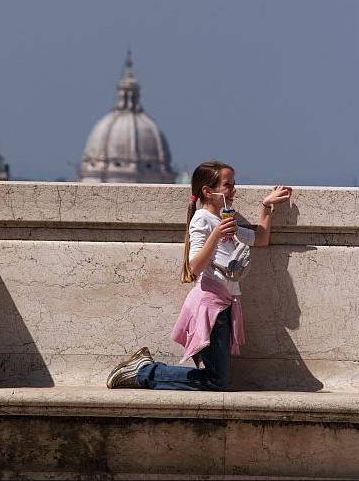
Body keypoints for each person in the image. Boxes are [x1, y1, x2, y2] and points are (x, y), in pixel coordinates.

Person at [106, 160, 292, 391]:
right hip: (210, 306)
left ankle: (143, 370)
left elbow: (261, 239)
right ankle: (143, 372)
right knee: (217, 380)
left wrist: (266, 205)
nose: (234, 190)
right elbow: (194, 266)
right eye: (227, 185)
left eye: (233, 184)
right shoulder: (202, 219)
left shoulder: (224, 221)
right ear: (208, 191)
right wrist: (216, 235)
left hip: (223, 305)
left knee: (217, 378)